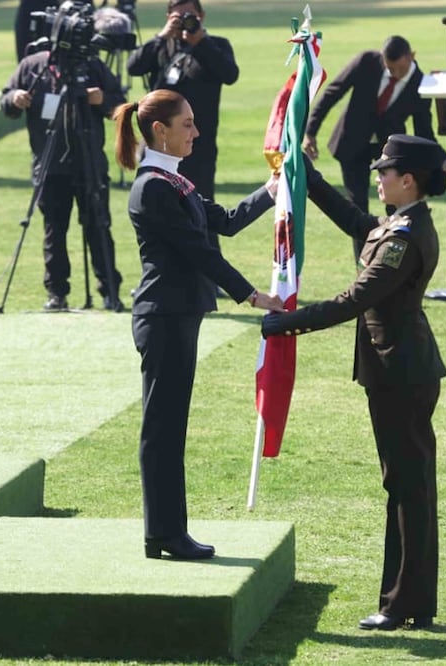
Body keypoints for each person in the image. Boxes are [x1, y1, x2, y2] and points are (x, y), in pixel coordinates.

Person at [262, 135, 446, 630]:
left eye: (384, 172)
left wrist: (288, 321)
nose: (378, 177)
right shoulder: (398, 224)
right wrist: (307, 178)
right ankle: (411, 603)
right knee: (407, 485)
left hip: (401, 373)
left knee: (407, 488)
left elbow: (354, 299)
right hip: (398, 370)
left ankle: (401, 605)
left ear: (407, 181)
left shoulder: (405, 238)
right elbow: (354, 221)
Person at [112, 89, 284, 560]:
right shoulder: (154, 188)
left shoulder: (174, 182)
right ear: (159, 131)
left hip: (178, 318)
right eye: (187, 124)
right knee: (162, 430)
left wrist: (272, 191)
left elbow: (223, 222)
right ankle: (164, 534)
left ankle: (166, 533)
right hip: (164, 319)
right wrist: (251, 295)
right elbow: (200, 251)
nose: (196, 132)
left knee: (170, 427)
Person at [0, 10, 126, 311]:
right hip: (50, 166)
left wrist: (102, 100)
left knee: (98, 226)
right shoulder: (33, 66)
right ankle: (56, 293)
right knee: (54, 231)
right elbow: (6, 102)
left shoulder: (92, 66)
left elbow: (121, 105)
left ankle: (110, 290)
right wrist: (15, 97)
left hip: (89, 164)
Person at [303, 36, 436, 256]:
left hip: (389, 152)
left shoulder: (420, 84)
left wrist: (438, 161)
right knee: (357, 209)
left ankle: (393, 264)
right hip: (351, 145)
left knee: (395, 209)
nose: (394, 74)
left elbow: (423, 129)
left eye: (399, 69)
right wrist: (310, 131)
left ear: (411, 56)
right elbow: (332, 93)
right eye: (389, 68)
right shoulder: (367, 61)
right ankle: (363, 269)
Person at [126, 0, 238, 202]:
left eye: (190, 17)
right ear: (169, 17)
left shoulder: (217, 45)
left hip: (197, 143)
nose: (185, 22)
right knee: (157, 205)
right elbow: (133, 67)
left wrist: (201, 43)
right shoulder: (161, 47)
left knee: (201, 209)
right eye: (179, 17)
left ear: (201, 16)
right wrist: (161, 36)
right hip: (158, 145)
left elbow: (230, 74)